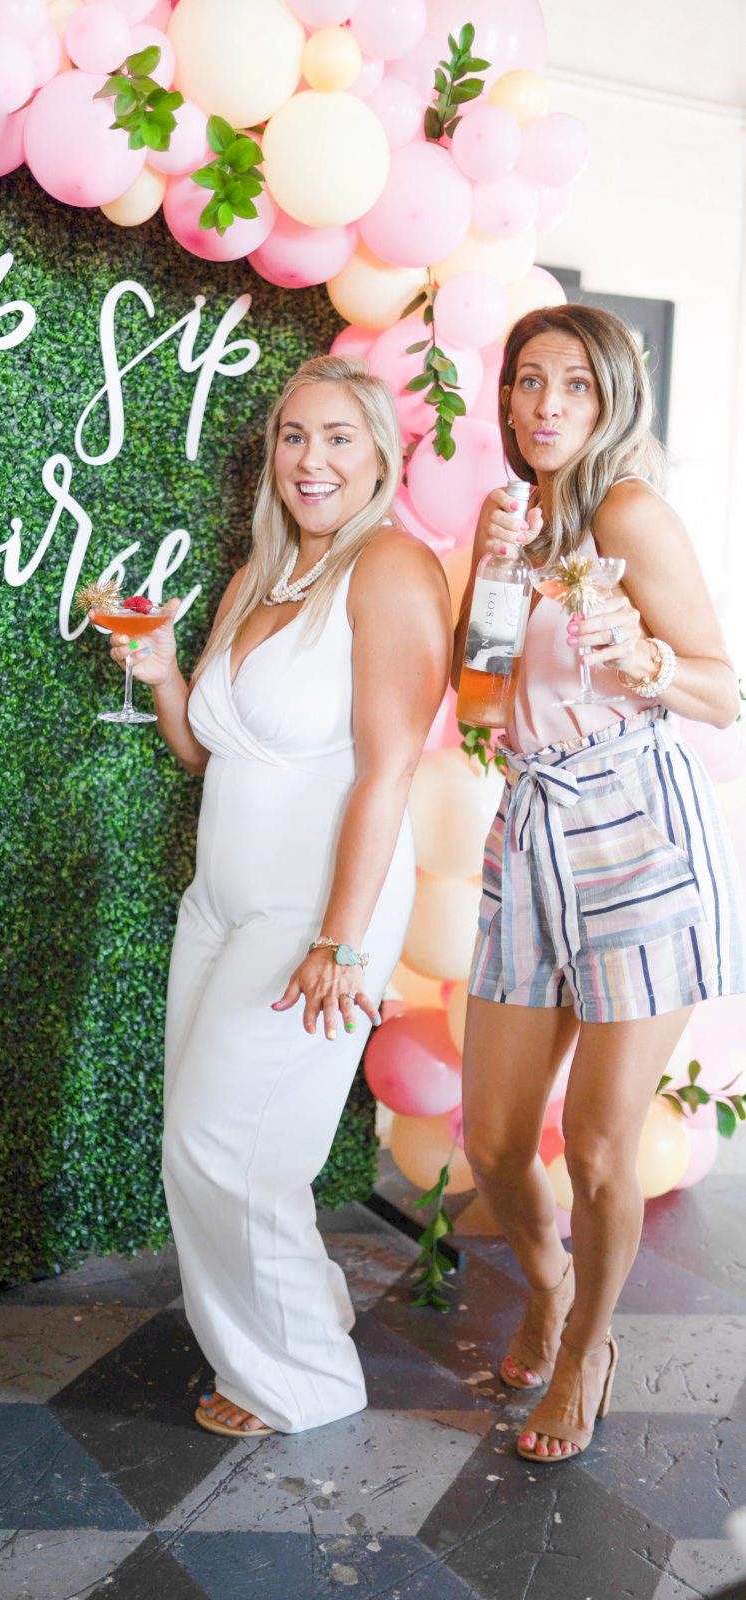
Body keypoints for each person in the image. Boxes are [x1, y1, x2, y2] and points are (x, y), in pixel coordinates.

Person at [95, 354, 451, 1436]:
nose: (310, 459)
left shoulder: (391, 567)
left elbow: (388, 771)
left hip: (318, 909)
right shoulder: (263, 570)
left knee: (226, 1148)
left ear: (380, 457)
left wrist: (342, 941)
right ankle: (300, 1316)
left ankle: (302, 1380)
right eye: (294, 436)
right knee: (209, 1143)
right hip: (219, 903)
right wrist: (164, 673)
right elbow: (210, 754)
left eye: (338, 437)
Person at [453, 304, 744, 1465]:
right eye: (528, 379)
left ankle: (585, 1347)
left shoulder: (627, 511)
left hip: (635, 833)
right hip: (530, 830)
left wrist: (647, 659)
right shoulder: (517, 520)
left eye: (573, 382)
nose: (544, 403)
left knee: (596, 1147)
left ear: (611, 396)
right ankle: (549, 1281)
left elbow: (721, 689)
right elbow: (477, 696)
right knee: (491, 1138)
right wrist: (488, 568)